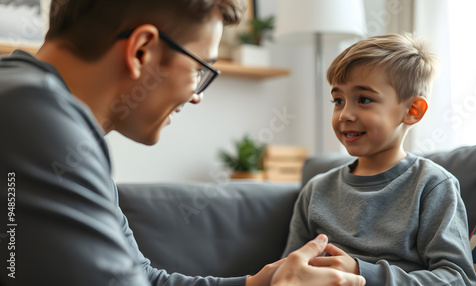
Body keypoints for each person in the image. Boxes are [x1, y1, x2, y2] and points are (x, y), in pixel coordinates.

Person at [0, 0, 367, 285]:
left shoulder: (35, 101)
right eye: (199, 70)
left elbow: (140, 277)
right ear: (141, 50)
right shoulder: (35, 117)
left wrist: (255, 284)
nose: (197, 96)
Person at [282, 34, 476, 285]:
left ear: (412, 111)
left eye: (364, 99)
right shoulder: (316, 190)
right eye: (338, 100)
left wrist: (362, 273)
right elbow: (289, 270)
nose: (345, 114)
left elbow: (457, 279)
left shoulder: (432, 186)